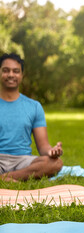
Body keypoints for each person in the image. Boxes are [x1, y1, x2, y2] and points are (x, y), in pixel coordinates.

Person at [0, 53, 63, 182]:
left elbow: (43, 146)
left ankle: (6, 178)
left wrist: (52, 151)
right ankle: (15, 178)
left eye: (16, 71)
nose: (11, 75)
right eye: (6, 71)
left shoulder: (34, 106)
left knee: (56, 163)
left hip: (22, 161)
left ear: (21, 75)